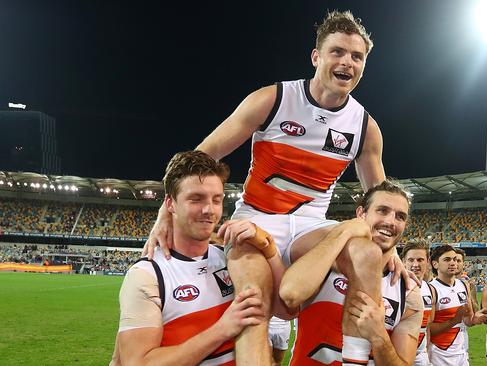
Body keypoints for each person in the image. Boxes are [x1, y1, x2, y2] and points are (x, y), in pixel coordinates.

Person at [145, 10, 410, 361]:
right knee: (252, 303)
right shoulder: (273, 99)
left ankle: (355, 359)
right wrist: (167, 211)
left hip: (311, 227)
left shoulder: (364, 126)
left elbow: (381, 198)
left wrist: (391, 250)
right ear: (316, 56)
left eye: (356, 57)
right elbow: (202, 155)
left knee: (366, 252)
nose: (347, 62)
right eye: (338, 52)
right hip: (256, 218)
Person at [110, 151, 267, 366]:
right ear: (170, 203)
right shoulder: (148, 275)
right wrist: (222, 329)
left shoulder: (229, 259)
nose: (208, 210)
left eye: (217, 200)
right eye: (196, 199)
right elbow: (138, 363)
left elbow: (287, 309)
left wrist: (264, 241)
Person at [280, 180, 423, 365]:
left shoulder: (409, 293)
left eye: (400, 217)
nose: (390, 222)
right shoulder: (327, 261)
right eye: (382, 210)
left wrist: (379, 336)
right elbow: (290, 295)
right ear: (361, 214)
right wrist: (345, 230)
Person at [428, 245, 487, 366]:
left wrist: (476, 319)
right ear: (435, 264)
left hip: (461, 352)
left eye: (455, 259)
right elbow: (428, 329)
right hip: (439, 353)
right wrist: (454, 320)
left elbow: (467, 320)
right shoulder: (431, 289)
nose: (453, 263)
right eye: (447, 260)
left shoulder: (463, 285)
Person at [401, 241, 434, 366]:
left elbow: (427, 327)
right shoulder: (394, 288)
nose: (415, 265)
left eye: (420, 260)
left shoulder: (429, 289)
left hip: (421, 356)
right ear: (403, 261)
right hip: (399, 355)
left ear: (428, 261)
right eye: (411, 260)